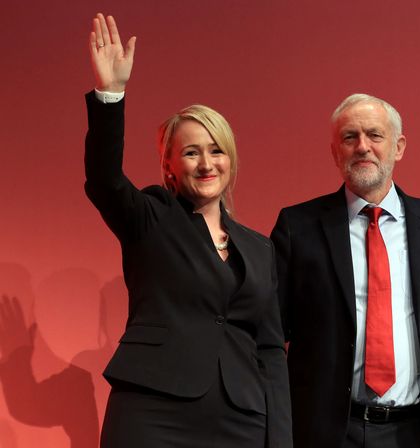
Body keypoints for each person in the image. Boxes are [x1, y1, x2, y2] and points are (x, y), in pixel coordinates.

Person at [84, 14, 290, 448]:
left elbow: (270, 349)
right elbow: (104, 179)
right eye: (192, 152)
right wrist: (111, 94)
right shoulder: (152, 217)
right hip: (153, 410)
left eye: (216, 150)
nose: (206, 163)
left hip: (240, 418)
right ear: (169, 166)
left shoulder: (259, 248)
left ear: (230, 159)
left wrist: (280, 438)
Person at [270, 93, 420, 448]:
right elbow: (269, 333)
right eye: (350, 137)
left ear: (398, 146)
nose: (363, 147)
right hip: (330, 432)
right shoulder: (296, 227)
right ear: (335, 152)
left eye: (375, 135)